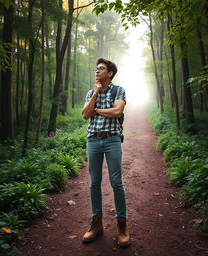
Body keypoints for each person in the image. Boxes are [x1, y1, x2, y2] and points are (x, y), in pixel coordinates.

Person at [81, 58, 130, 247]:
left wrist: (97, 111)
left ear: (110, 73)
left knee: (116, 182)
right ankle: (97, 223)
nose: (96, 71)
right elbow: (85, 114)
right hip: (93, 139)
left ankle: (122, 225)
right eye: (96, 69)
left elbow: (117, 112)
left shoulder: (119, 90)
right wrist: (94, 94)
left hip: (112, 140)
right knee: (94, 182)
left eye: (100, 69)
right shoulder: (89, 93)